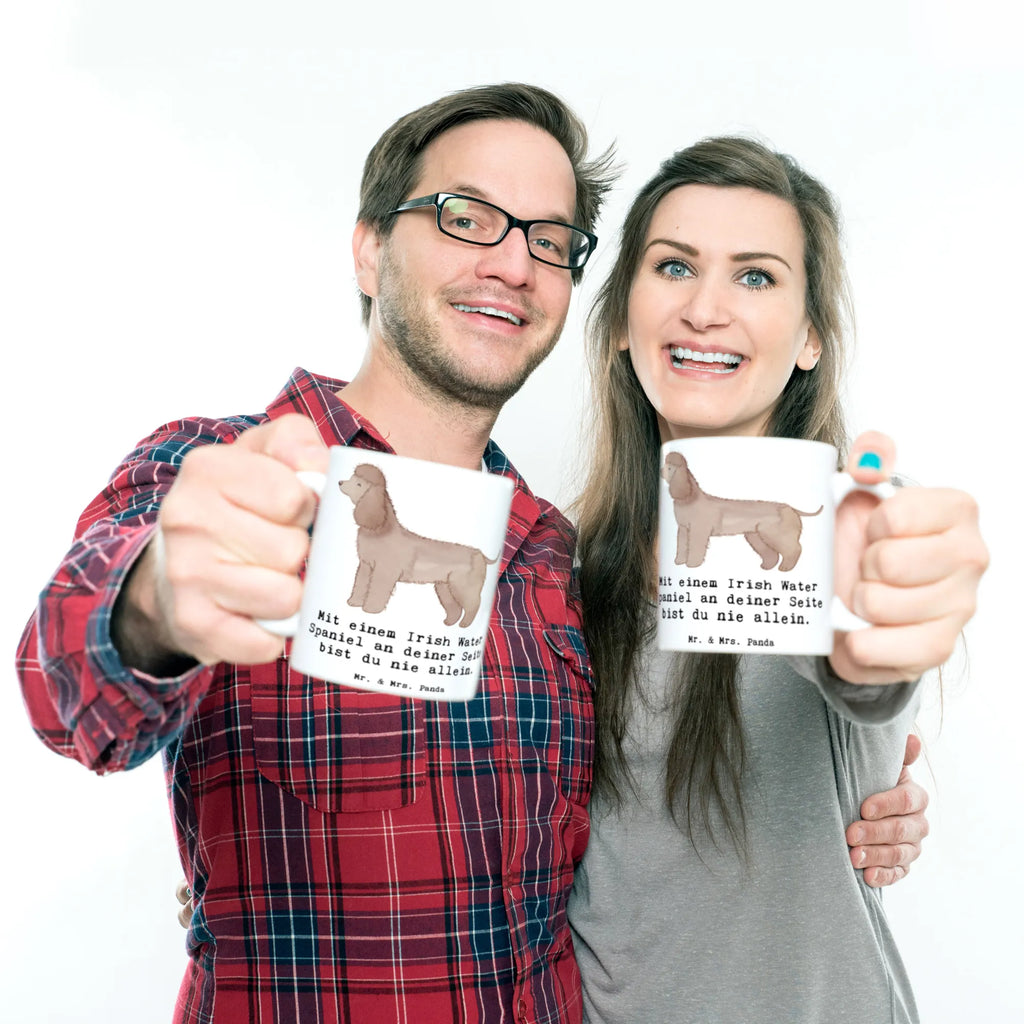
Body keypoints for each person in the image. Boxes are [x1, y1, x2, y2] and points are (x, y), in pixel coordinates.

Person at [18, 84, 930, 1024]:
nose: (510, 263)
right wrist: (157, 604)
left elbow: (724, 774)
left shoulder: (553, 560)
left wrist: (871, 779)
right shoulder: (221, 473)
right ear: (371, 247)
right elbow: (65, 686)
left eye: (546, 239)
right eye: (466, 217)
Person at [567, 136, 989, 1023]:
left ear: (809, 341)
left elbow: (861, 664)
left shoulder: (845, 527)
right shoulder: (562, 570)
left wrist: (882, 625)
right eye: (674, 266)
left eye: (755, 277)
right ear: (618, 321)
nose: (707, 309)